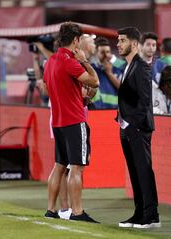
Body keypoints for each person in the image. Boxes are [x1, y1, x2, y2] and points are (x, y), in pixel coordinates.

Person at [43, 22, 99, 223]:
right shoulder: (71, 61)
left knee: (59, 165)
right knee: (76, 167)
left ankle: (51, 210)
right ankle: (77, 212)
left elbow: (47, 89)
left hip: (57, 121)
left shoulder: (50, 62)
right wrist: (85, 62)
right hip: (74, 120)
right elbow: (95, 82)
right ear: (76, 40)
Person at [116, 27, 160, 229]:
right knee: (134, 172)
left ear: (134, 44)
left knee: (144, 171)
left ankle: (151, 216)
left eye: (122, 40)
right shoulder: (128, 66)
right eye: (118, 40)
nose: (118, 44)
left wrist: (134, 125)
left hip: (138, 128)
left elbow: (144, 100)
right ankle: (139, 213)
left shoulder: (141, 66)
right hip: (126, 127)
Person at [90, 37, 122, 109]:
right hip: (96, 111)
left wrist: (109, 73)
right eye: (102, 52)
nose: (106, 55)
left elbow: (124, 89)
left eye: (108, 52)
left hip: (114, 111)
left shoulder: (117, 69)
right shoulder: (92, 69)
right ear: (96, 53)